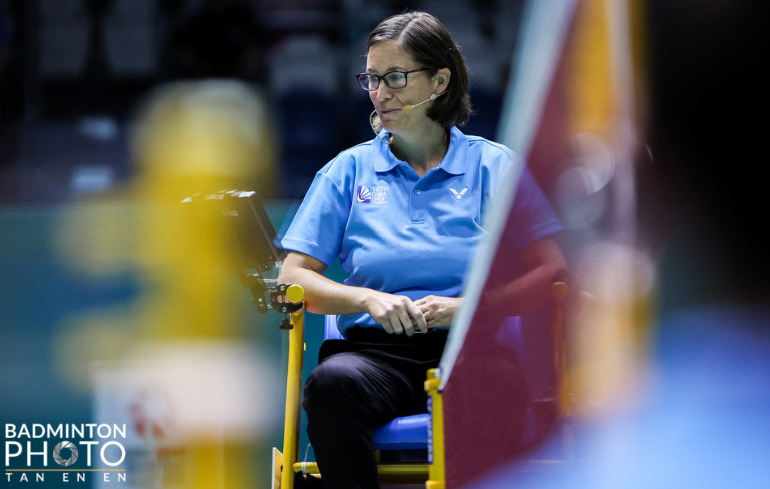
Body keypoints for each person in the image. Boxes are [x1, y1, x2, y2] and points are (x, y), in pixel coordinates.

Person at [278, 11, 566, 489]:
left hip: (470, 353)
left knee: (498, 389)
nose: (379, 93)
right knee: (330, 386)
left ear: (440, 81)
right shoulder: (346, 171)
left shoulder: (496, 168)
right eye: (371, 78)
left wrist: (469, 308)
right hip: (372, 358)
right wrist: (368, 300)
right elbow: (292, 277)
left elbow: (553, 273)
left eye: (395, 77)